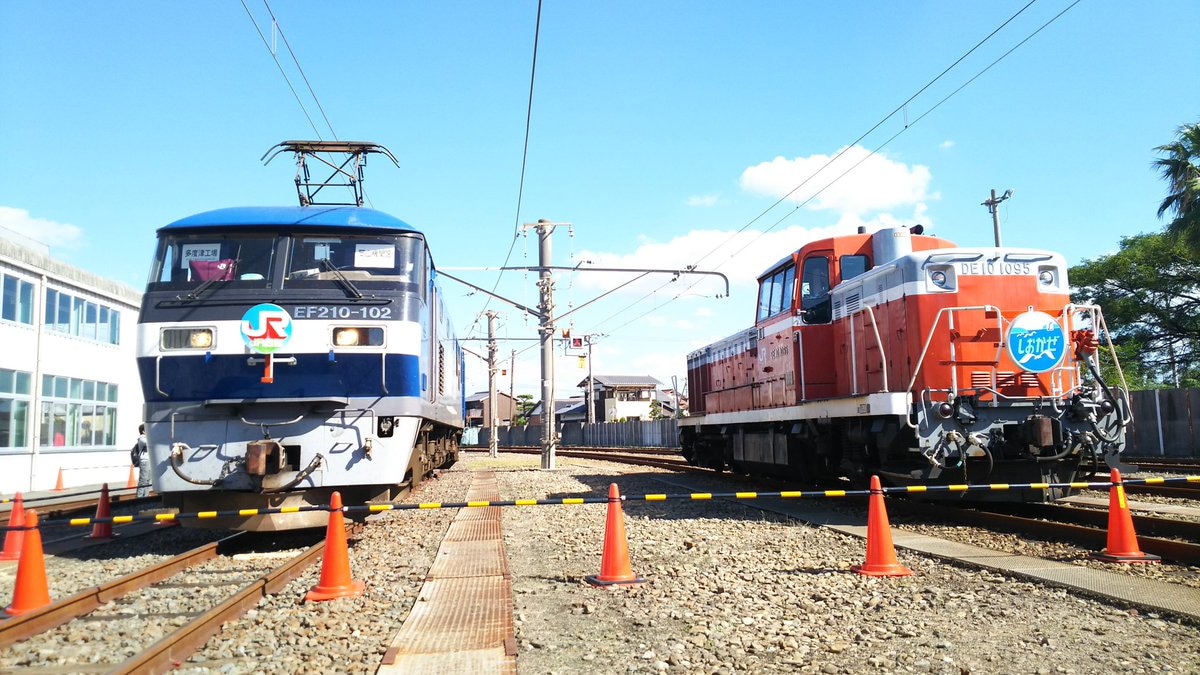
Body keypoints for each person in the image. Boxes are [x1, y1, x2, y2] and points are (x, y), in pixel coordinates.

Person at [131, 424, 152, 498]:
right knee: (143, 480)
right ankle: (139, 497)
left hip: (149, 461)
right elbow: (149, 443)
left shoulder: (147, 438)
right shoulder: (141, 439)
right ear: (143, 431)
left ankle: (145, 496)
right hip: (144, 461)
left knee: (148, 481)